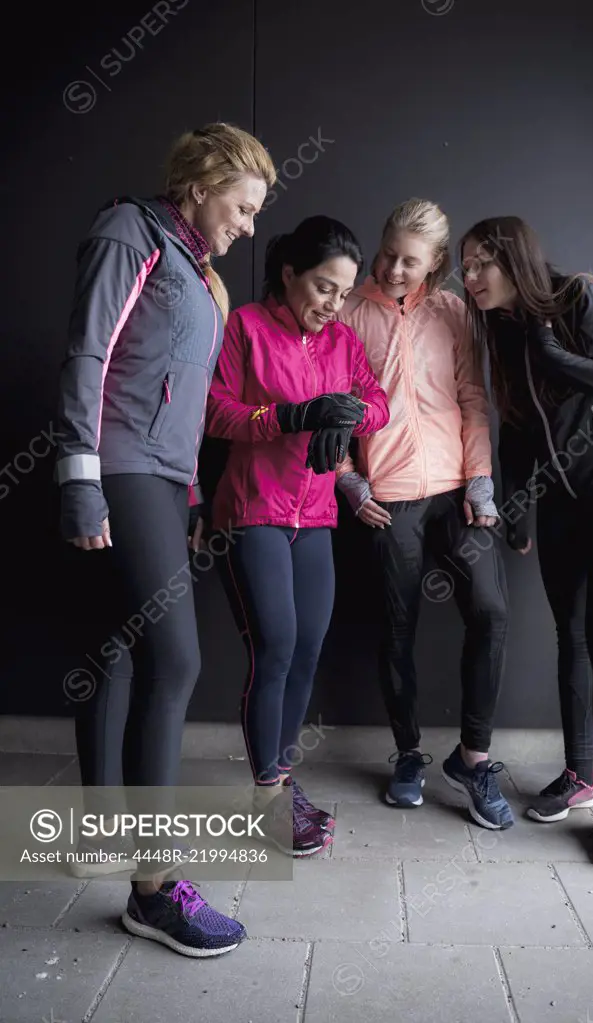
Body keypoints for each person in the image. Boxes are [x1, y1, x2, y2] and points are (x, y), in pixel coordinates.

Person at [55, 122, 276, 955]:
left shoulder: (196, 270)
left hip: (159, 477)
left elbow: (181, 396)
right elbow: (86, 353)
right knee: (175, 659)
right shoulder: (130, 231)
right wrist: (78, 476)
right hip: (118, 464)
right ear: (202, 182)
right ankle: (153, 888)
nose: (249, 224)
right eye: (243, 205)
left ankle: (103, 833)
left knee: (114, 646)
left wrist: (186, 498)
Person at [459, 214, 593, 864]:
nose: (468, 279)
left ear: (510, 258)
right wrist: (517, 508)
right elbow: (517, 430)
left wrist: (556, 356)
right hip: (563, 500)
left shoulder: (577, 296)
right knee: (569, 635)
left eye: (477, 265)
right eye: (463, 269)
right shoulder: (502, 331)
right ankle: (581, 775)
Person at [204, 215, 390, 855]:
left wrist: (352, 413)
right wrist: (286, 416)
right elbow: (216, 409)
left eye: (342, 292)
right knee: (276, 646)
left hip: (316, 516)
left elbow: (379, 399)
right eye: (321, 287)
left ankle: (280, 781)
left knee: (308, 647)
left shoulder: (342, 340)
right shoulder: (246, 327)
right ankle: (269, 794)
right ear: (289, 274)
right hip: (253, 509)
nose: (332, 303)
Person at [335, 199, 513, 830]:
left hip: (458, 489)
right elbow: (325, 407)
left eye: (410, 260)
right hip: (389, 495)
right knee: (395, 625)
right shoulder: (349, 309)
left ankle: (473, 757)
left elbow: (472, 398)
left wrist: (482, 478)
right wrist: (349, 480)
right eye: (387, 252)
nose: (393, 268)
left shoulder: (454, 311)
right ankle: (408, 754)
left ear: (435, 263)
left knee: (490, 611)